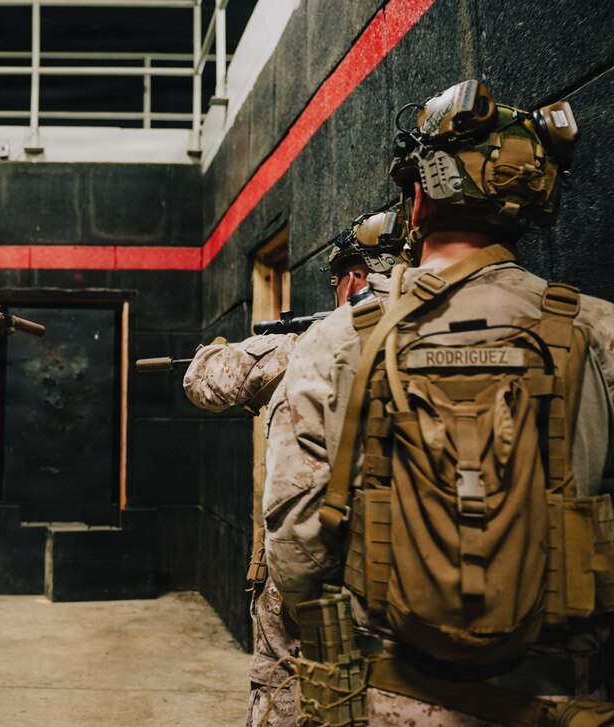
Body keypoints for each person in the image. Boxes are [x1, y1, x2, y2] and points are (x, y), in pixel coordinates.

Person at [263, 80, 614, 725]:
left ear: (417, 198)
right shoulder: (598, 331)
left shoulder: (339, 340)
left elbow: (296, 548)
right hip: (558, 698)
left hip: (385, 692)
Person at [183, 208, 409, 727]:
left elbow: (205, 382)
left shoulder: (314, 342)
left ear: (354, 277)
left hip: (327, 592)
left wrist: (218, 353)